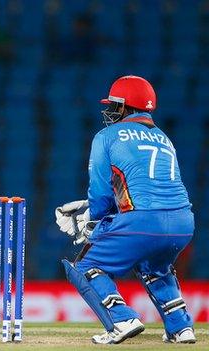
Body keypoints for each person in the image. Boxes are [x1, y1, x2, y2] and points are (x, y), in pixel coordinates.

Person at [54, 76, 195, 344]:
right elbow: (146, 188)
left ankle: (121, 319)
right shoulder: (163, 137)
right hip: (183, 222)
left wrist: (90, 223)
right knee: (155, 265)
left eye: (114, 105)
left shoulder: (106, 136)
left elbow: (101, 193)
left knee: (86, 265)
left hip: (143, 221)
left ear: (125, 106)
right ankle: (180, 328)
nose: (109, 111)